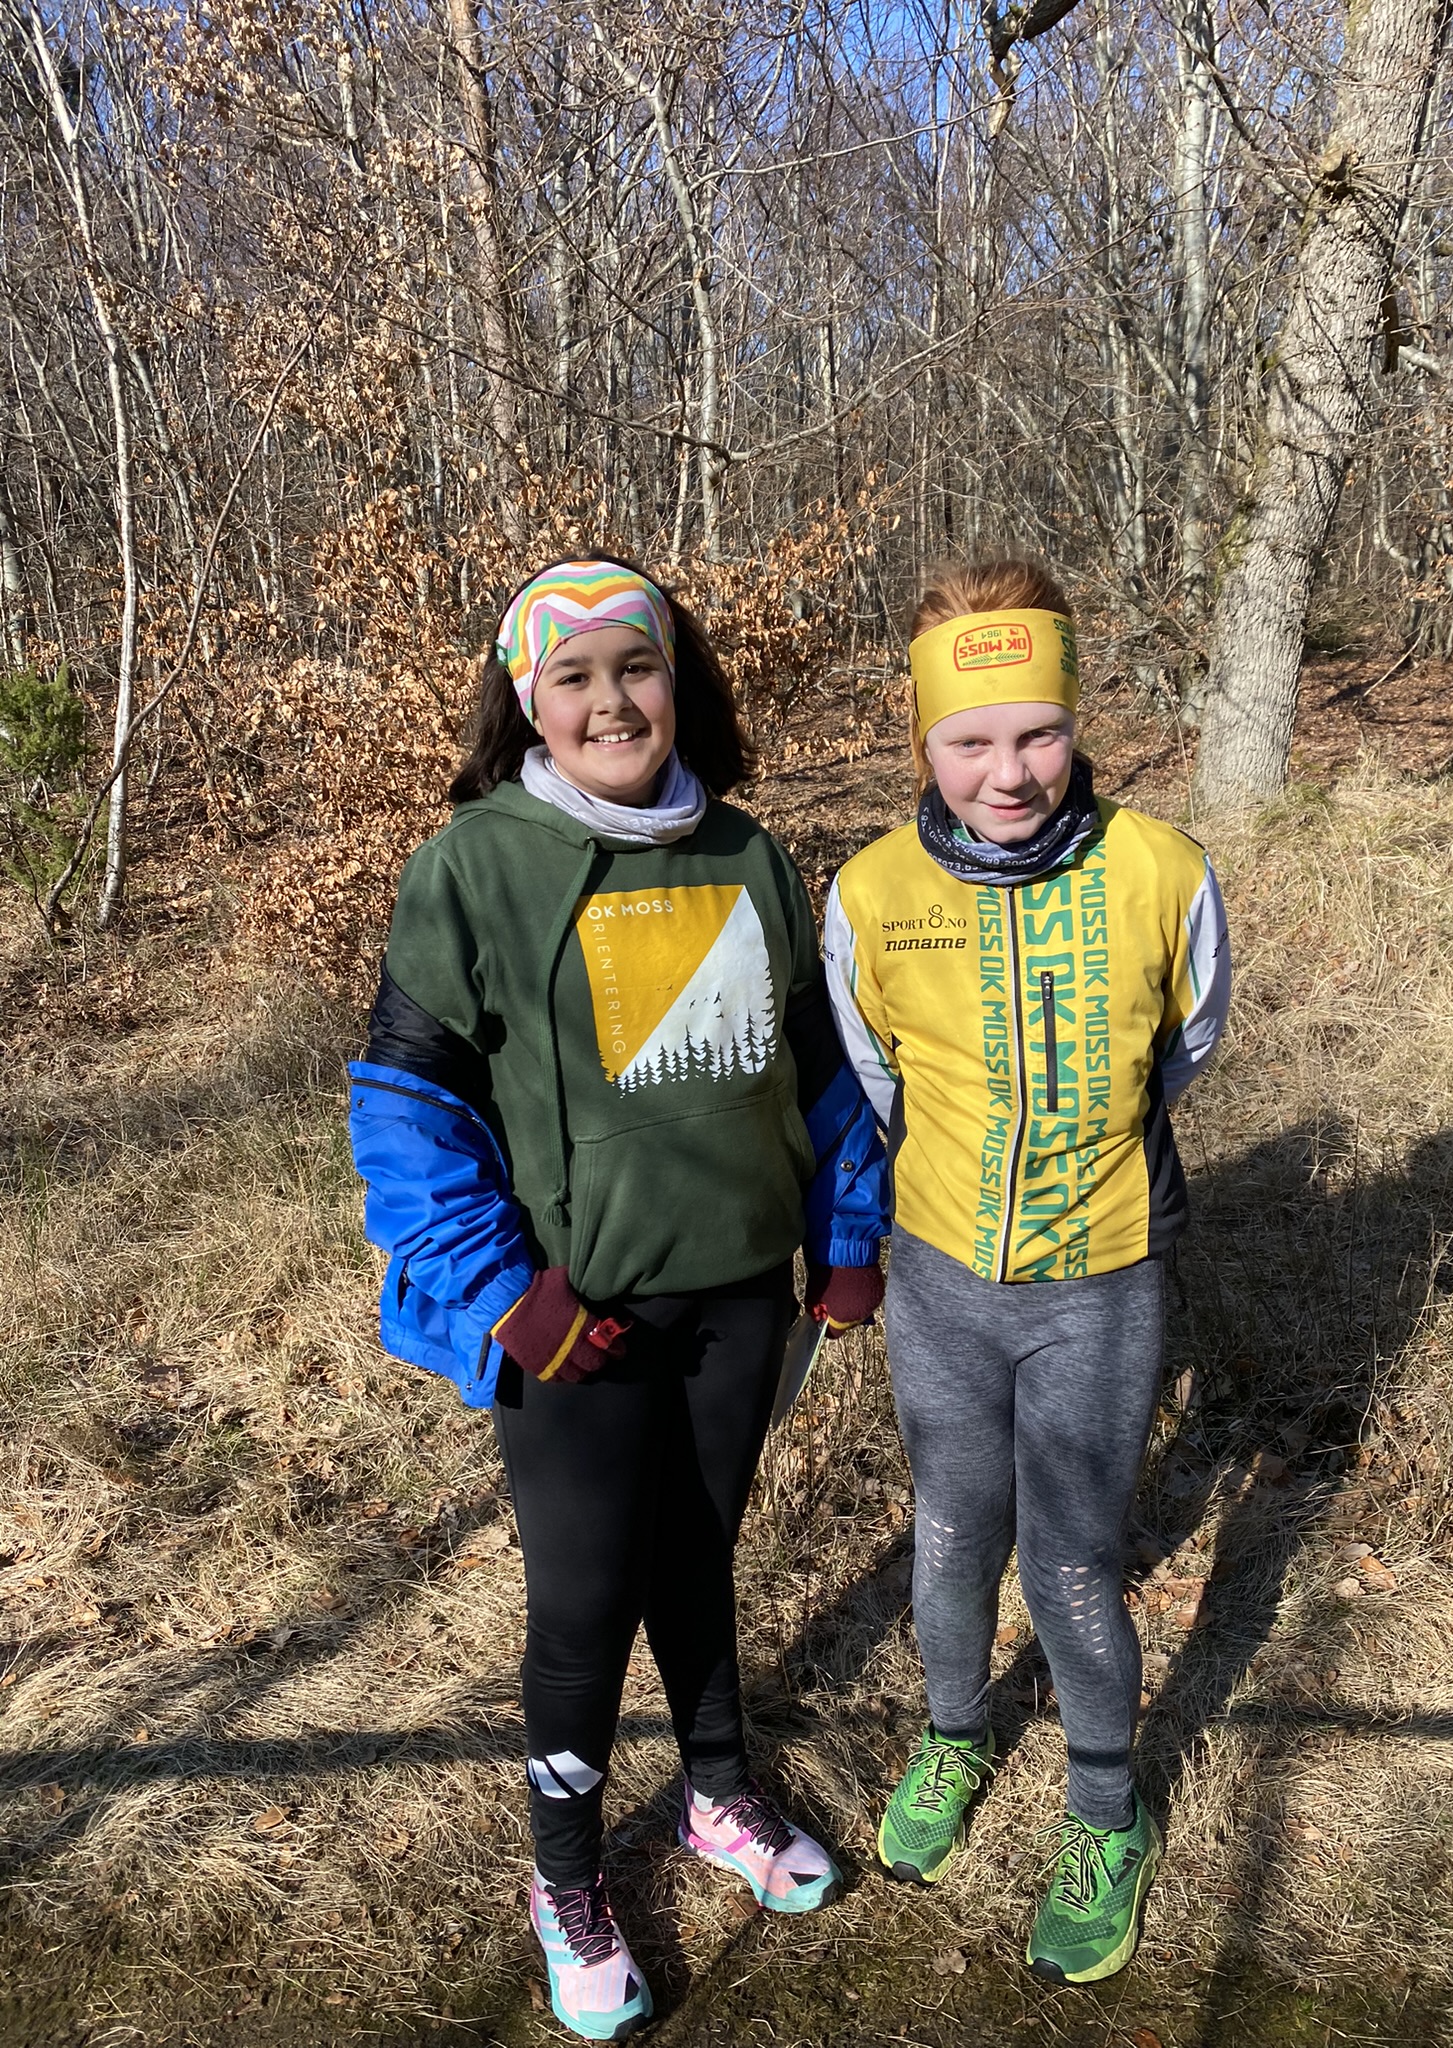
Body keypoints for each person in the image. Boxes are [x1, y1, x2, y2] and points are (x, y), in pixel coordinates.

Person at [348, 556, 888, 2043]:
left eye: (635, 667)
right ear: (528, 701)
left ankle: (716, 1793)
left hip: (739, 1299)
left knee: (701, 1556)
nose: (610, 702)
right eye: (572, 676)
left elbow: (821, 1073)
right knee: (584, 1604)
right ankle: (567, 1879)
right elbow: (405, 1109)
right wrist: (502, 1295)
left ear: (678, 680)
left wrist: (845, 1236)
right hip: (575, 1322)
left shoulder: (751, 854)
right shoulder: (473, 867)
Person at [824, 559, 1230, 1985]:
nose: (1010, 772)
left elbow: (1181, 1049)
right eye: (971, 740)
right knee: (949, 1534)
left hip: (1098, 1285)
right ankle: (953, 1739)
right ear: (922, 743)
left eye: (1040, 733)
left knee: (1068, 1559)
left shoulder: (1165, 871)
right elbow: (878, 1077)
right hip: (941, 1281)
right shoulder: (870, 890)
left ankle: (1106, 1813)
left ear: (1077, 719)